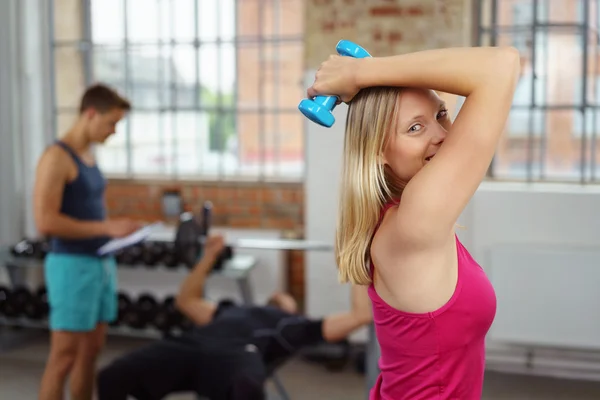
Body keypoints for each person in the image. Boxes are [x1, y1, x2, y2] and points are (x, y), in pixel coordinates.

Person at [306, 46, 520, 399]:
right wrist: (360, 74)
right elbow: (500, 65)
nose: (442, 135)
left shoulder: (398, 214)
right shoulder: (415, 221)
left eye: (441, 115)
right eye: (415, 127)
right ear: (377, 151)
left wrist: (367, 72)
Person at [97, 234, 373, 400]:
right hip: (192, 345)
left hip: (238, 355)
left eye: (284, 295)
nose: (279, 294)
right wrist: (209, 256)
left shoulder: (294, 326)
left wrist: (356, 258)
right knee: (111, 376)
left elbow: (360, 315)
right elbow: (186, 301)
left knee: (246, 388)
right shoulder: (233, 310)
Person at [34, 83, 141, 400]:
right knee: (63, 357)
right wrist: (107, 228)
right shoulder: (56, 157)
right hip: (71, 267)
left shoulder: (87, 155)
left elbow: (87, 211)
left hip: (100, 264)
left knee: (90, 354)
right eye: (112, 123)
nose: (114, 131)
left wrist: (116, 229)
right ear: (90, 114)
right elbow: (45, 222)